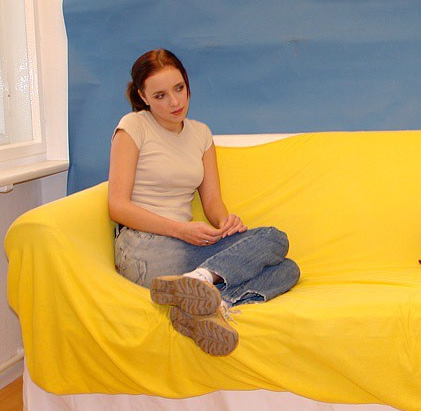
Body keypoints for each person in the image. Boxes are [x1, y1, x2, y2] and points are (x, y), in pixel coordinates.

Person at [109, 49, 300, 356]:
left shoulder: (201, 133)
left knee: (286, 263)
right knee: (273, 246)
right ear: (143, 97)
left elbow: (212, 203)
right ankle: (201, 283)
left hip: (186, 245)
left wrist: (226, 224)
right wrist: (181, 230)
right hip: (144, 248)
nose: (175, 102)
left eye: (179, 88)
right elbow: (117, 207)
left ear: (187, 83)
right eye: (160, 96)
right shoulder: (133, 126)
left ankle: (206, 303)